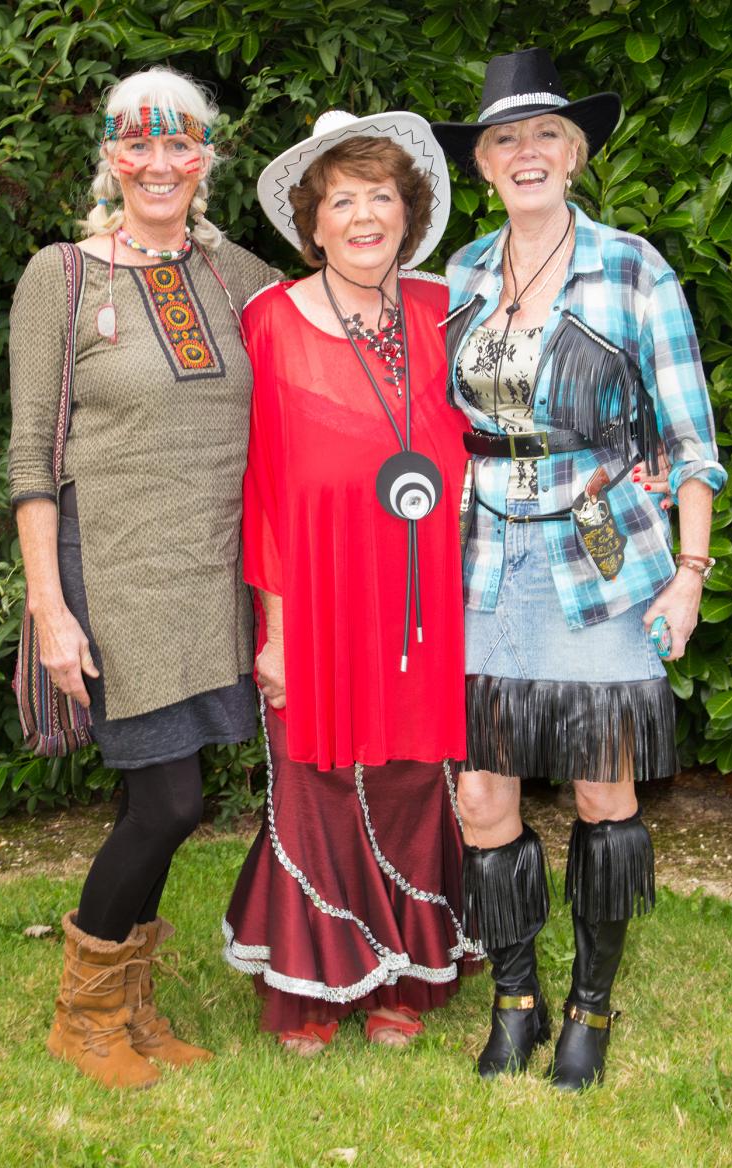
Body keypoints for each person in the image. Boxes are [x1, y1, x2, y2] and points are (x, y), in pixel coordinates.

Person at [431, 48, 726, 1089]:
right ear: (481, 163)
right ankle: (515, 997)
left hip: (602, 555)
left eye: (546, 135)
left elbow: (690, 441)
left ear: (578, 151)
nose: (526, 153)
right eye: (504, 138)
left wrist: (688, 572)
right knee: (479, 795)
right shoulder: (460, 274)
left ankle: (591, 1008)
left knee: (603, 790)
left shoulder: (634, 267)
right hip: (478, 563)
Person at [8, 68, 280, 1089]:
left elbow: (317, 359)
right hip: (112, 577)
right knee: (164, 801)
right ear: (111, 155)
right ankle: (83, 1014)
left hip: (213, 575)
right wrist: (49, 607)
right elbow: (32, 452)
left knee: (180, 799)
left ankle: (130, 1003)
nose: (159, 164)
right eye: (138, 143)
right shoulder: (63, 276)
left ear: (208, 157)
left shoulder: (236, 273)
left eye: (181, 145)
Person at [222, 111, 471, 1054]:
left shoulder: (447, 308)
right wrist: (274, 629)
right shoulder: (269, 321)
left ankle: (402, 973)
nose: (365, 216)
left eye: (382, 197)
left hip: (422, 587)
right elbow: (265, 486)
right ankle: (319, 981)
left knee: (411, 774)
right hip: (314, 584)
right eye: (343, 200)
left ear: (407, 215)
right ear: (311, 221)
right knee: (316, 775)